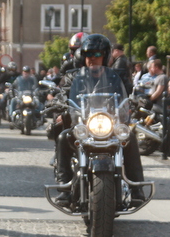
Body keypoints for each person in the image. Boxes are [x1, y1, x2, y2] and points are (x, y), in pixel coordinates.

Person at [54, 33, 145, 203]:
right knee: (62, 137)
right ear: (83, 56)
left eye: (97, 54)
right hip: (83, 124)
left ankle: (136, 188)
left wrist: (135, 102)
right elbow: (63, 95)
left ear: (105, 56)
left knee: (130, 137)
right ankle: (64, 188)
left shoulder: (115, 77)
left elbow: (128, 94)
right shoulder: (73, 77)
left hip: (108, 124)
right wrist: (59, 106)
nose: (92, 58)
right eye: (88, 54)